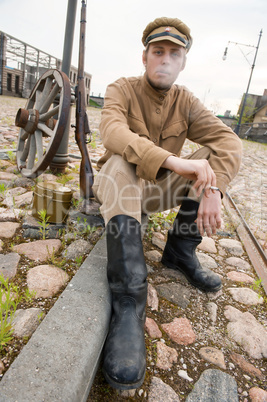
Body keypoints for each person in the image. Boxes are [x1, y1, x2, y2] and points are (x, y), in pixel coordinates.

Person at [92, 17, 242, 391]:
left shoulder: (186, 101)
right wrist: (175, 161)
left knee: (213, 155)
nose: (165, 60)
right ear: (145, 57)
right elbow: (112, 132)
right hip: (120, 188)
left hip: (155, 192)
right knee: (118, 161)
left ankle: (180, 251)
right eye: (158, 52)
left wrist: (213, 190)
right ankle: (129, 304)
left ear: (183, 62)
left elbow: (229, 144)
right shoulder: (122, 89)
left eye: (174, 53)